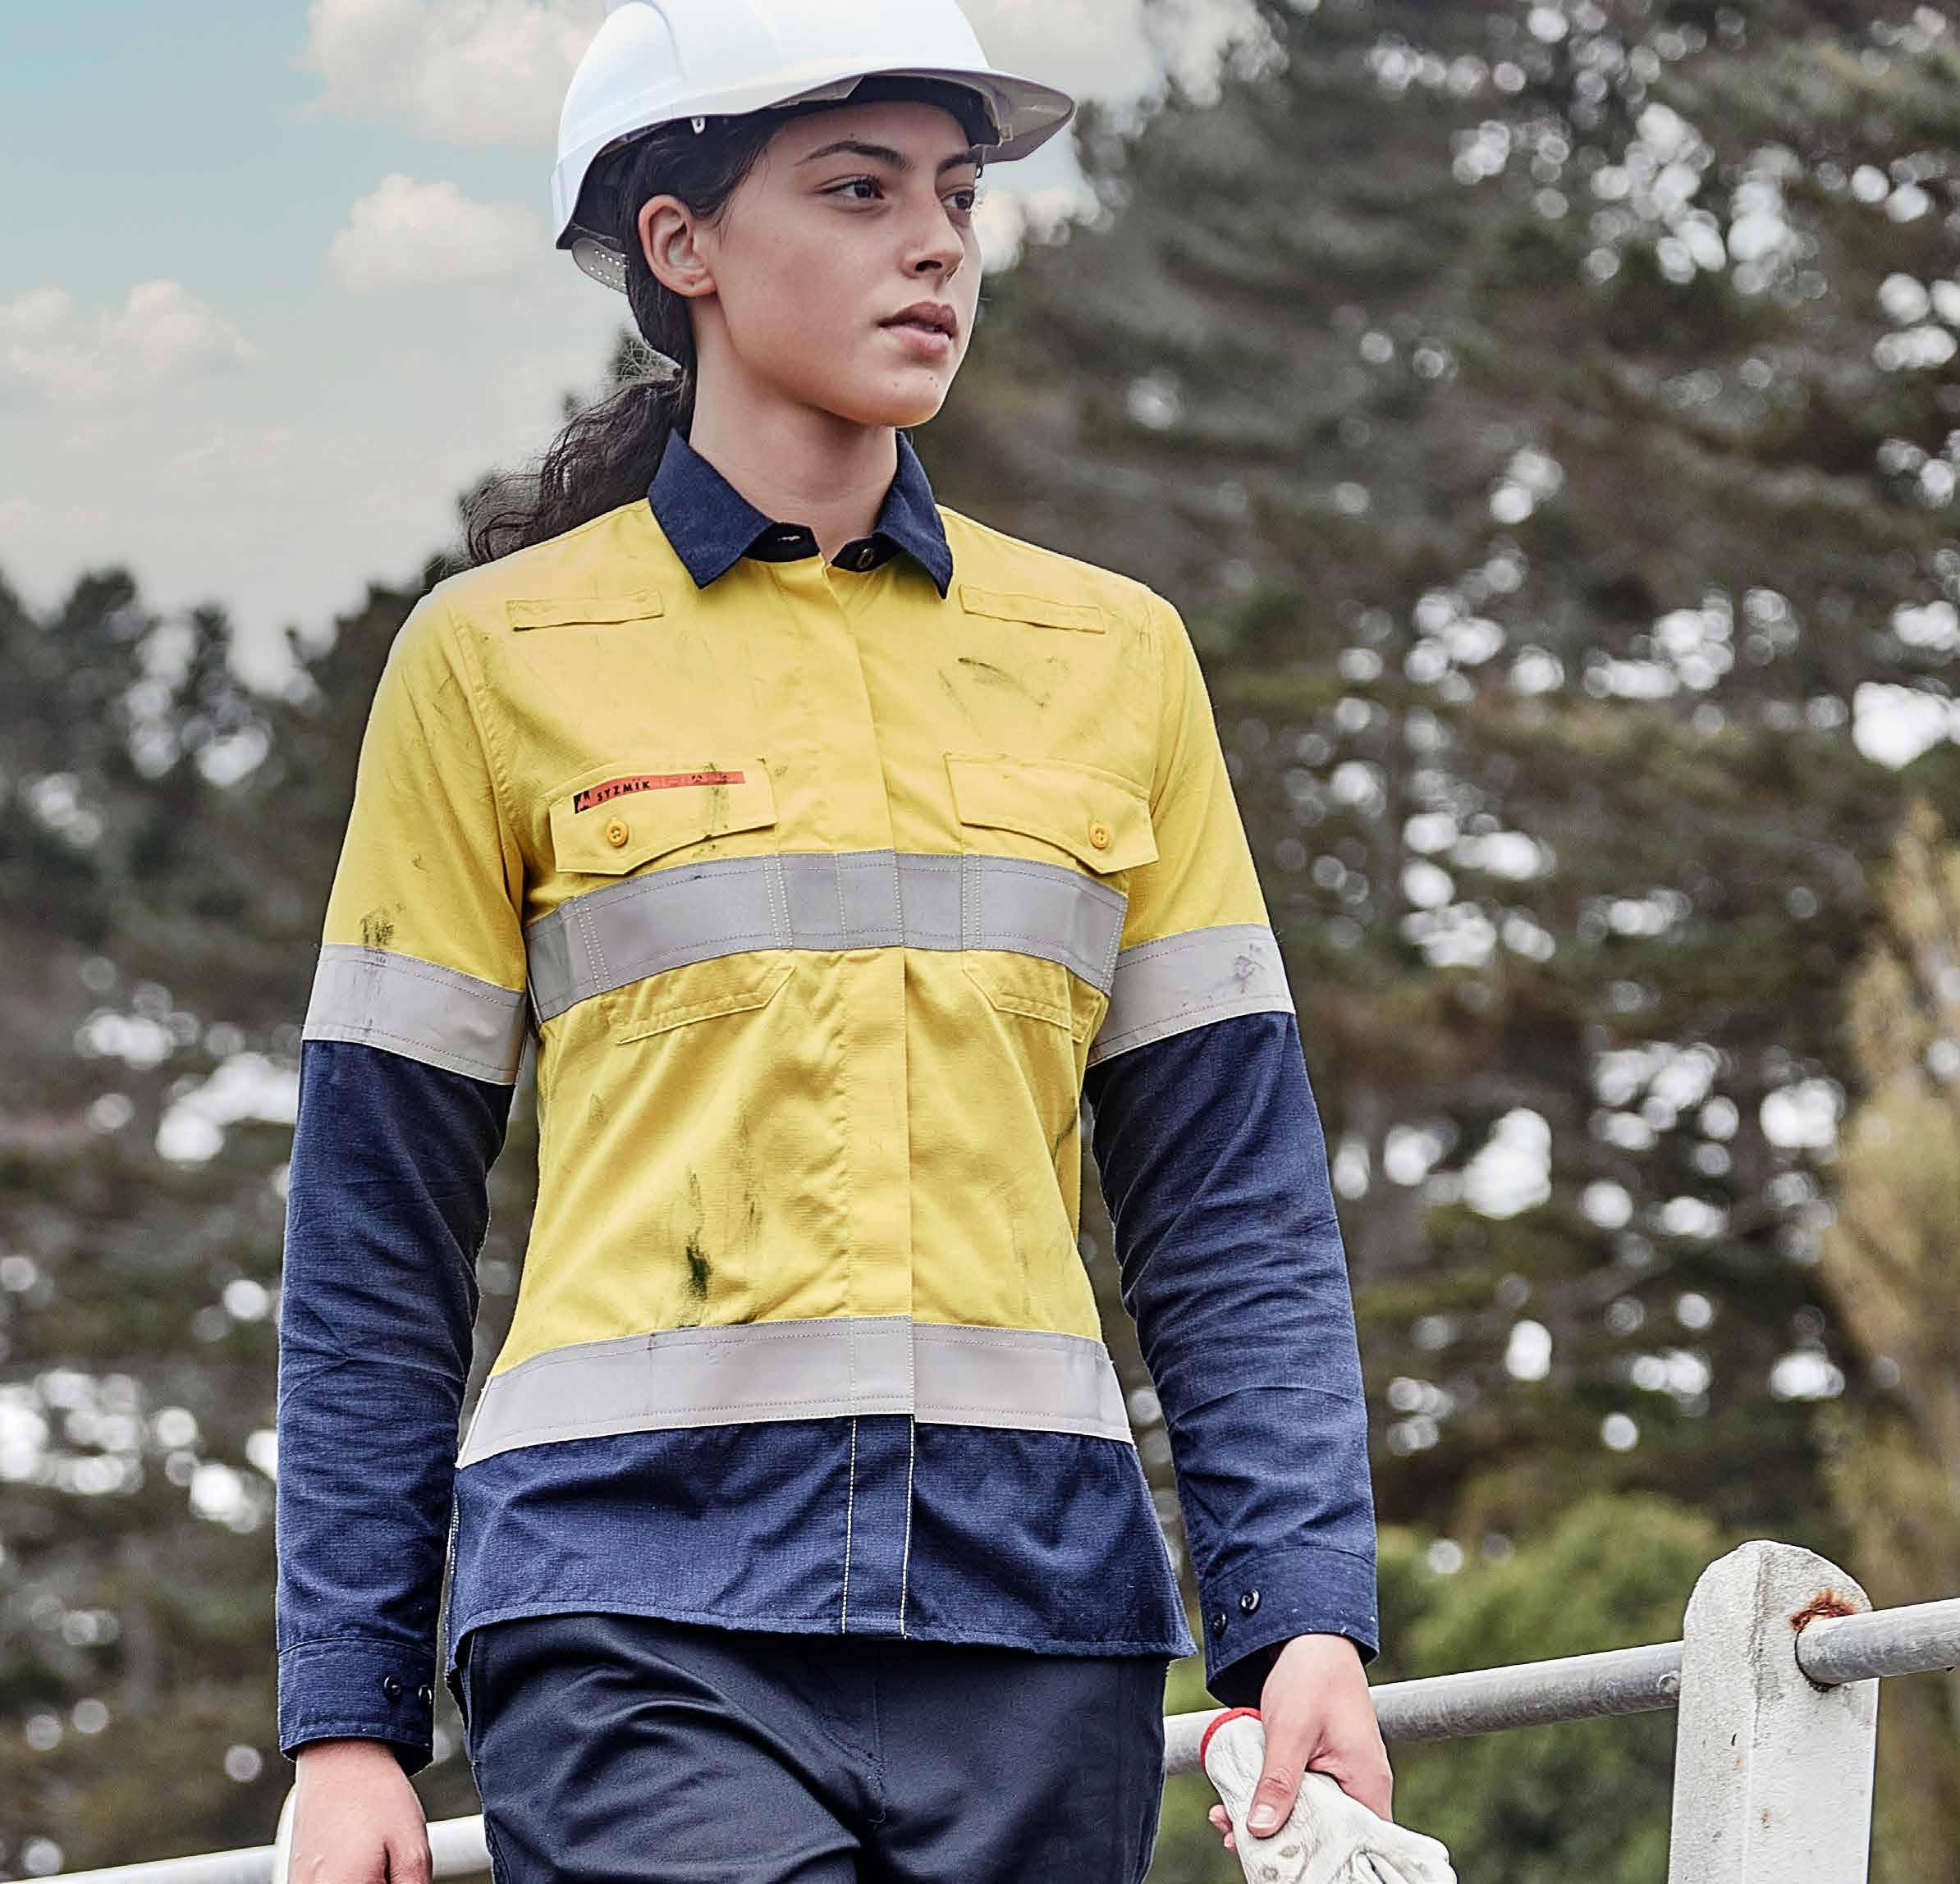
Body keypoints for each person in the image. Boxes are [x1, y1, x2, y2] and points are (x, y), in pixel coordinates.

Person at [272, 2, 1390, 1878]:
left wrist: (1301, 1620)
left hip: (1037, 1618)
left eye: (956, 194)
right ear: (681, 242)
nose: (937, 243)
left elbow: (1231, 1200)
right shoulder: (490, 660)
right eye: (861, 191)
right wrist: (347, 1720)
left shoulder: (1113, 656)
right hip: (631, 1603)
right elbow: (378, 1231)